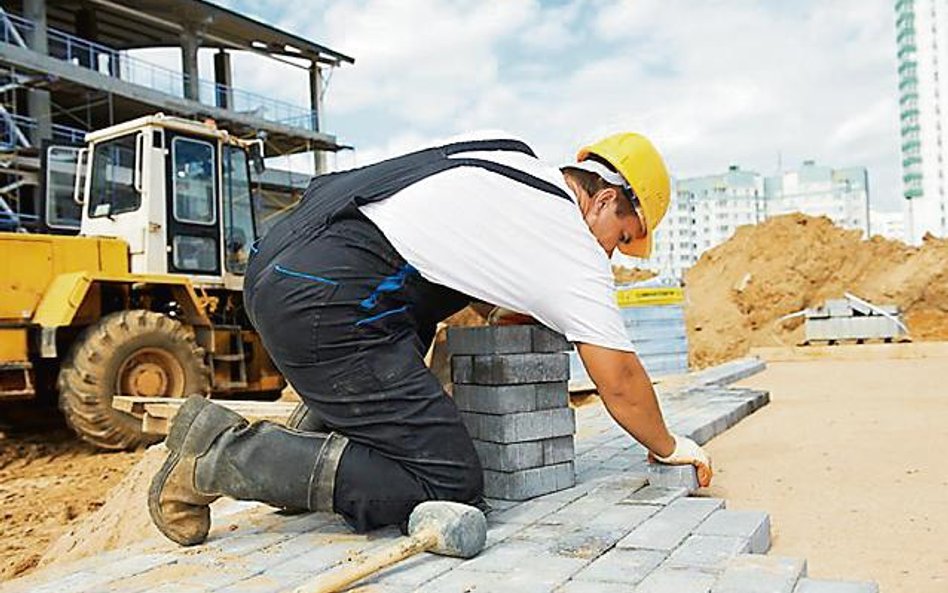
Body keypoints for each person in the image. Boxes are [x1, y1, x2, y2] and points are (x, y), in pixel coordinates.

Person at [148, 131, 713, 546]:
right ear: (609, 197)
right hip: (326, 301)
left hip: (290, 262)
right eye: (624, 235)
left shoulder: (512, 162)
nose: (612, 252)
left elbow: (463, 260)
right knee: (449, 480)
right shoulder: (568, 239)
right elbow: (618, 379)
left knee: (414, 322)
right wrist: (669, 446)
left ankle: (316, 437)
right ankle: (218, 455)